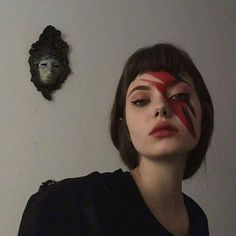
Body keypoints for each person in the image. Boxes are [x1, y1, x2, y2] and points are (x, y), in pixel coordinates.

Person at [18, 43, 213, 236]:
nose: (160, 107)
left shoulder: (197, 219)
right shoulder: (66, 206)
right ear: (124, 125)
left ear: (204, 115)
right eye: (141, 101)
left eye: (179, 95)